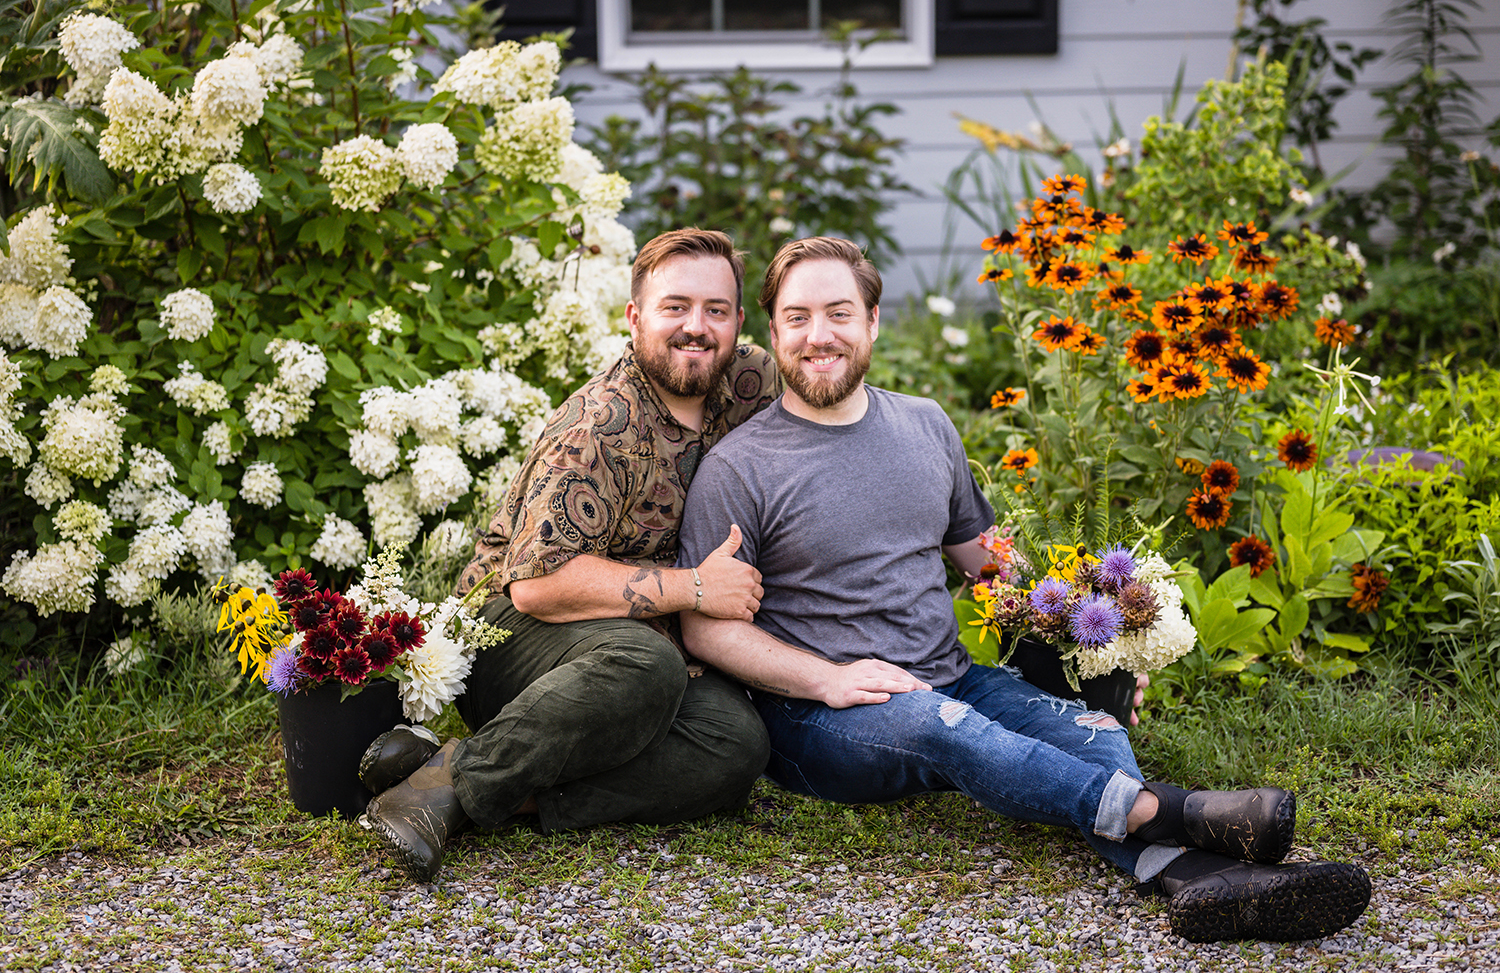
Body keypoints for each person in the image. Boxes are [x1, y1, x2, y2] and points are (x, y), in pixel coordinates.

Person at [674, 236, 1371, 943]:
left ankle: (1197, 878)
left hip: (950, 681)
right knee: (936, 724)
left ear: (874, 321)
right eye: (797, 318)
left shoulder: (925, 425)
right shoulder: (740, 468)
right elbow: (706, 628)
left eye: (838, 314)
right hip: (817, 720)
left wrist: (1094, 632)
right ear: (773, 332)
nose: (818, 336)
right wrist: (825, 679)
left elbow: (987, 564)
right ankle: (1177, 810)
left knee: (1087, 729)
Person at [360, 229, 780, 882]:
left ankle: (479, 784)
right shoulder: (600, 425)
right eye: (675, 307)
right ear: (635, 316)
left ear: (738, 322)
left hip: (626, 648)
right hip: (511, 629)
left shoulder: (749, 381)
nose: (696, 327)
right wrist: (696, 589)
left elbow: (827, 396)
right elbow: (537, 585)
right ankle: (434, 796)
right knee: (649, 666)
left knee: (737, 742)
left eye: (715, 310)